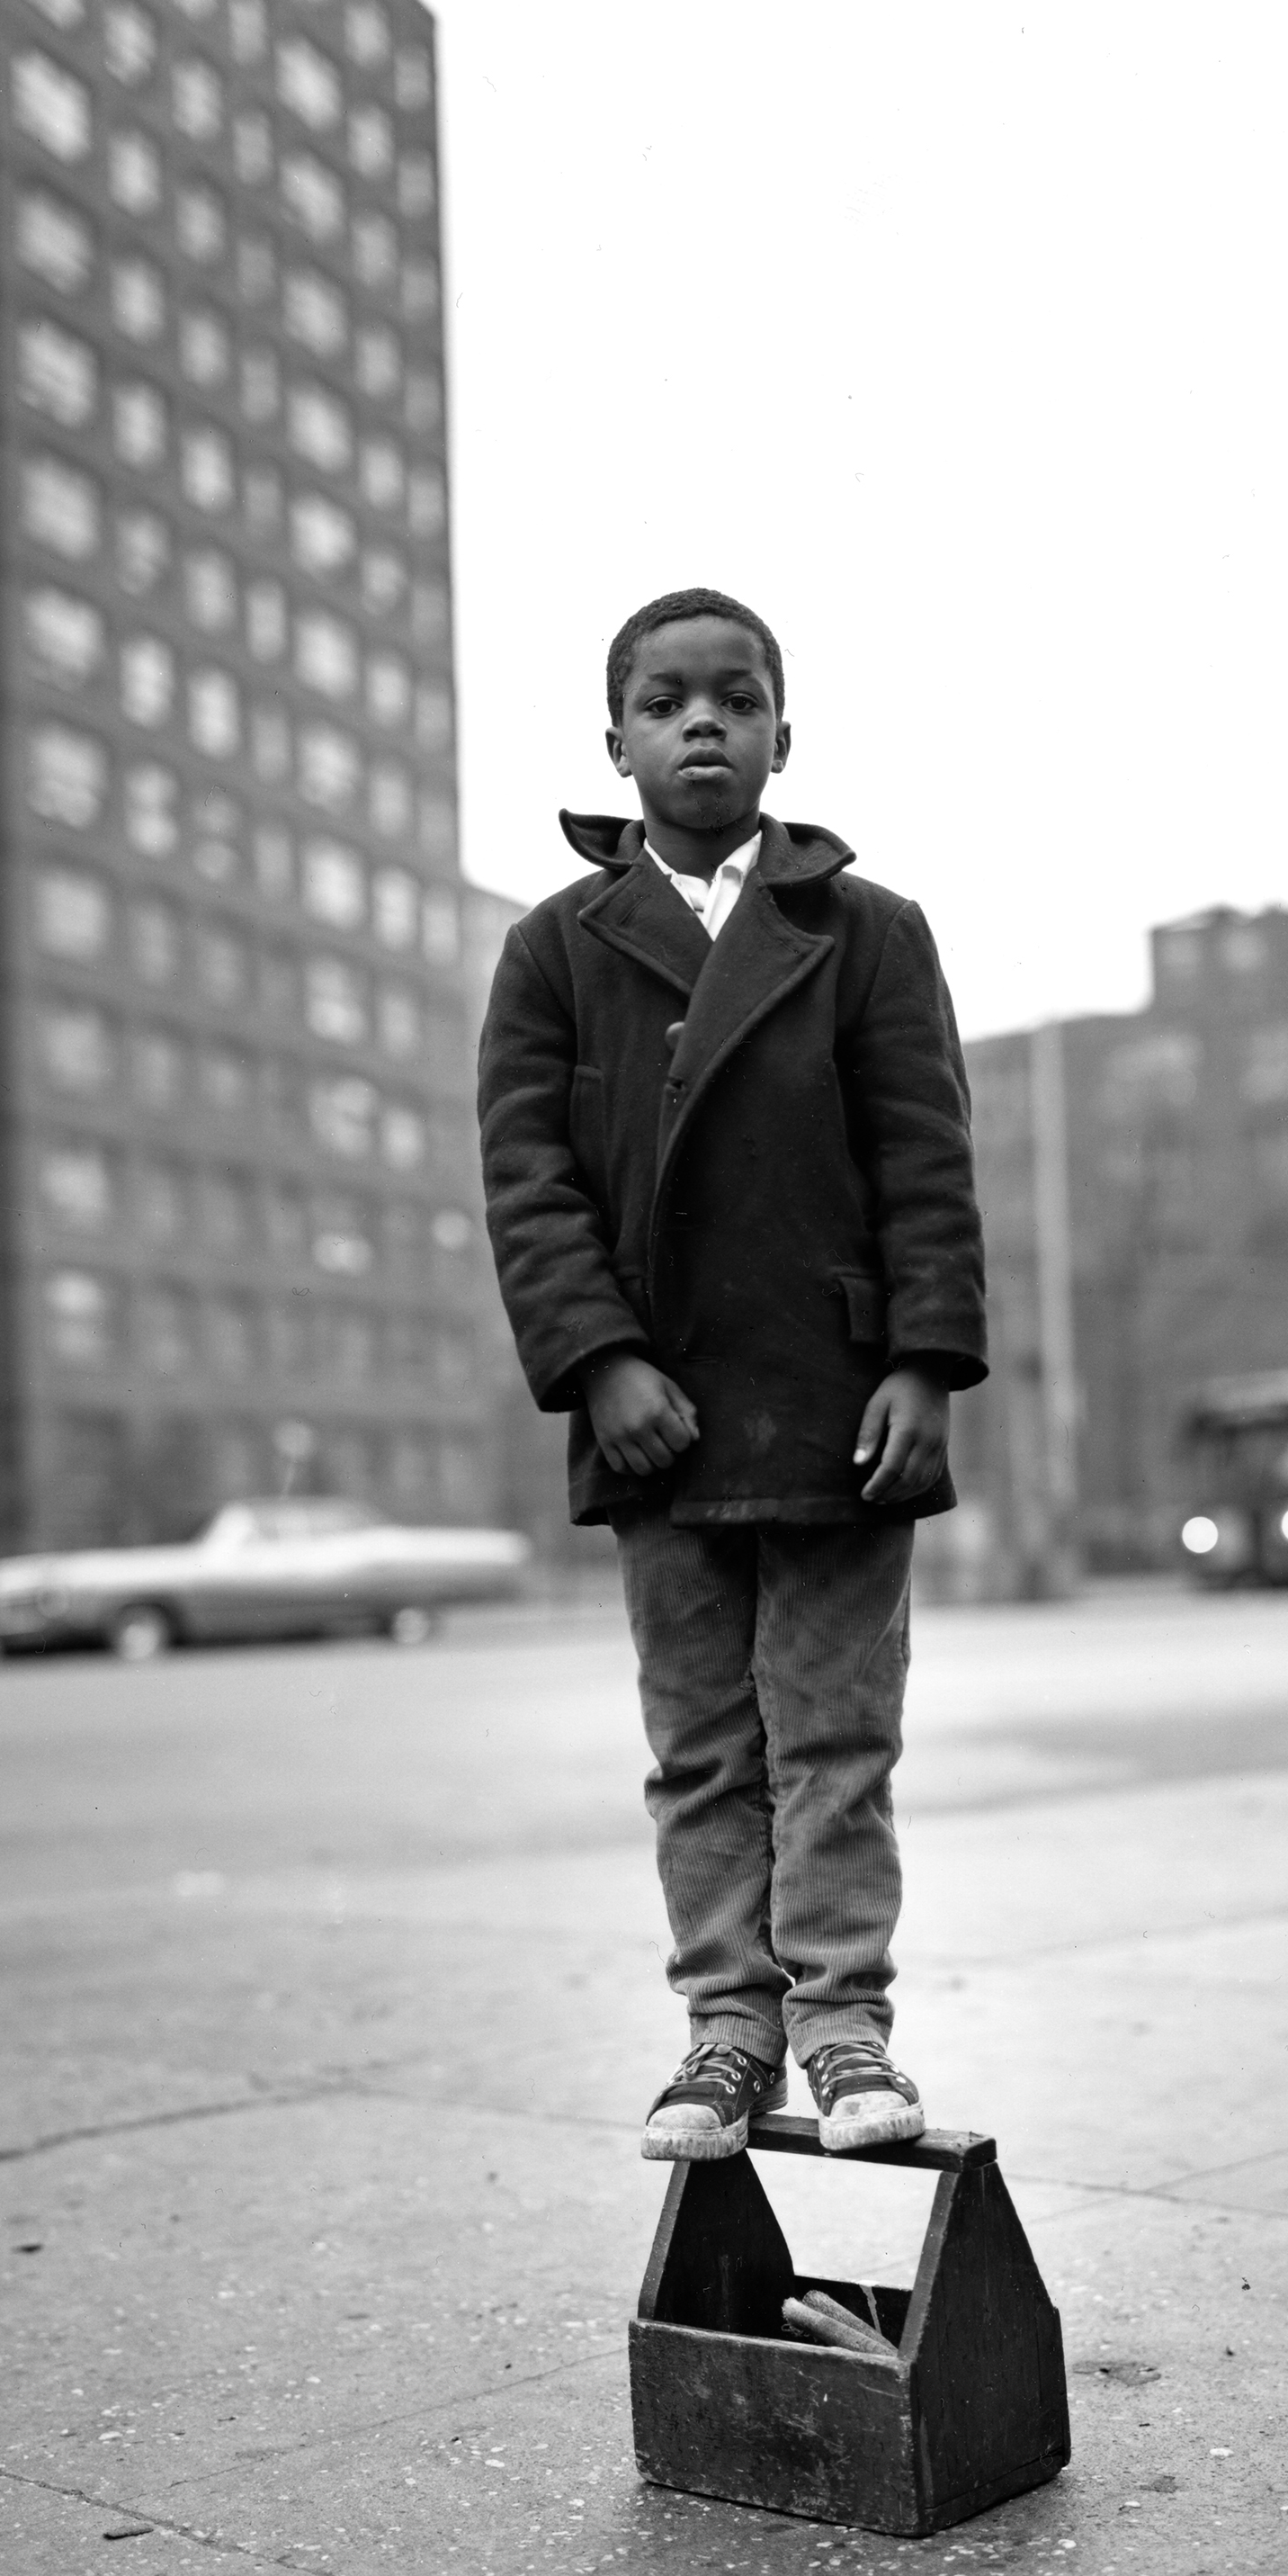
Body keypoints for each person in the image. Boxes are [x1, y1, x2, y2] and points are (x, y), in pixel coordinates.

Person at [478, 586, 988, 2163]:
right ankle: (725, 2032)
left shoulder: (868, 933)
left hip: (838, 1404)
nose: (703, 721)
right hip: (659, 1417)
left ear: (782, 733)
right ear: (616, 741)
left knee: (835, 1732)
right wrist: (600, 1361)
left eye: (736, 697)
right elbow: (528, 1178)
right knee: (704, 1744)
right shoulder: (554, 951)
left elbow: (928, 1160)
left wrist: (925, 1364)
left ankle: (842, 2027)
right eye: (666, 700)